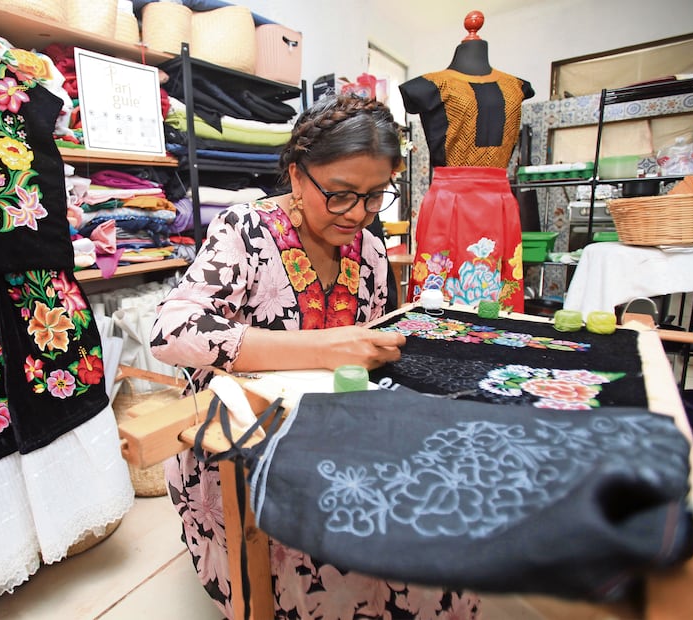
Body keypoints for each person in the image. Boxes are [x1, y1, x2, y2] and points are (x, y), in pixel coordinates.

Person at [150, 94, 481, 618]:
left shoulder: (370, 251)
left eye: (375, 196)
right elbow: (170, 330)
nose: (358, 214)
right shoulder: (245, 231)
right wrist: (324, 347)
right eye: (340, 194)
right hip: (246, 431)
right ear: (297, 176)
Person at [399, 11, 534, 313]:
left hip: (498, 203)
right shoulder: (431, 84)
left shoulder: (517, 86)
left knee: (498, 300)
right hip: (447, 199)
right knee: (434, 293)